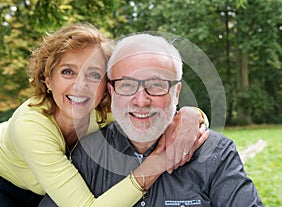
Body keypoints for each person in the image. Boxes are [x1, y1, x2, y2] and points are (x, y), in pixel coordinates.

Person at [40, 33, 263, 206]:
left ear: (176, 93)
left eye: (156, 85)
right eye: (127, 85)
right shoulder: (87, 153)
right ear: (112, 90)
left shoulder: (216, 154)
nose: (141, 100)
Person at [0, 23, 209, 207]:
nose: (81, 85)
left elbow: (155, 112)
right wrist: (156, 164)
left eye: (93, 74)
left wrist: (193, 115)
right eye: (68, 72)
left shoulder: (102, 109)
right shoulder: (30, 126)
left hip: (51, 189)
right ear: (48, 80)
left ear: (106, 85)